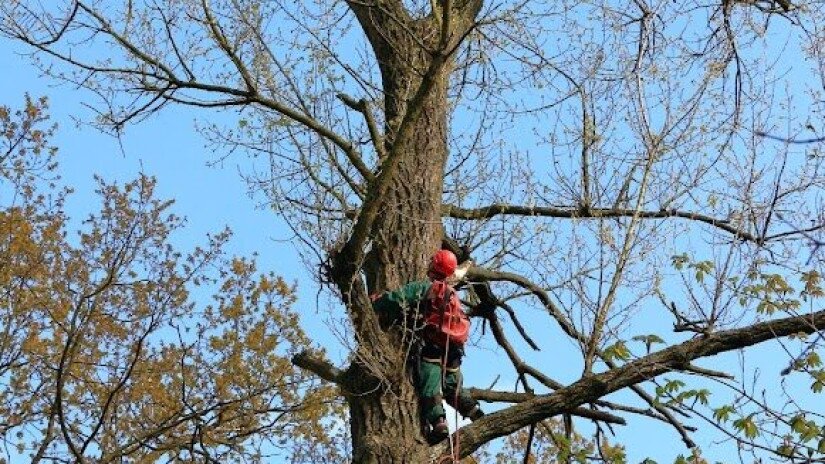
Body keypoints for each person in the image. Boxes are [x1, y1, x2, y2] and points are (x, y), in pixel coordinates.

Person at [371, 249, 484, 443]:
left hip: (433, 346)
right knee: (452, 385)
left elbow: (397, 298)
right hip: (454, 349)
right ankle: (473, 411)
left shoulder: (427, 288)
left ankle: (439, 424)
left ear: (434, 266)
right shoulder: (453, 295)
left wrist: (376, 302)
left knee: (430, 384)